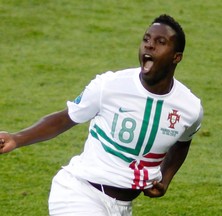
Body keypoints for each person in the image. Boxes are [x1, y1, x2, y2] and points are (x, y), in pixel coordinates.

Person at [0, 14, 203, 215]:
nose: (149, 46)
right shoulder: (110, 86)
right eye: (146, 39)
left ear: (176, 57)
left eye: (160, 42)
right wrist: (17, 139)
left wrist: (165, 179)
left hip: (121, 208)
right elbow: (65, 118)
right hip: (79, 192)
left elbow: (184, 142)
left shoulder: (189, 108)